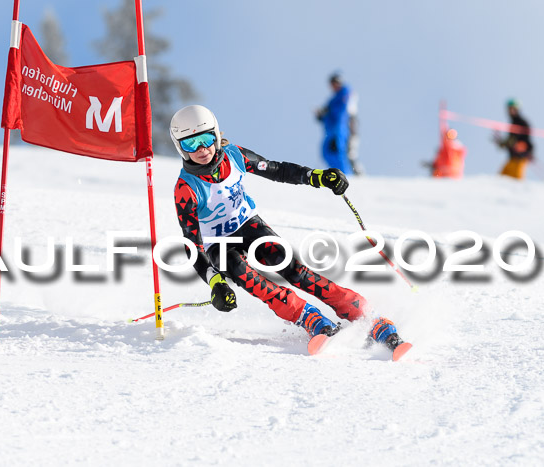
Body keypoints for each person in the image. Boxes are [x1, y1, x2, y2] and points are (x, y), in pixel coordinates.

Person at [170, 104, 405, 351]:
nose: (202, 149)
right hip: (218, 244)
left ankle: (365, 314)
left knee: (294, 269)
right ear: (180, 148)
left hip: (249, 225)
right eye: (190, 144)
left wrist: (317, 177)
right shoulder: (186, 189)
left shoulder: (234, 155)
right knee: (247, 276)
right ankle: (309, 317)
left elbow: (277, 169)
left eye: (206, 139)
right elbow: (192, 245)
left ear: (216, 135)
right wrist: (215, 282)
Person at [316, 73, 355, 175]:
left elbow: (341, 113)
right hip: (330, 130)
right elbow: (329, 115)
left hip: (338, 129)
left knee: (337, 152)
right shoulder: (333, 100)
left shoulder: (344, 93)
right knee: (327, 153)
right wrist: (322, 116)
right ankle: (338, 174)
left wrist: (327, 111)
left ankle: (346, 175)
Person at [492, 99, 534, 180]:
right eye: (509, 109)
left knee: (516, 182)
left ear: (517, 109)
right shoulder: (512, 124)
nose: (511, 111)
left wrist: (528, 150)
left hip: (520, 158)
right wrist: (501, 142)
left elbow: (527, 139)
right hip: (512, 157)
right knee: (501, 179)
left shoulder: (522, 122)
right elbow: (510, 141)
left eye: (513, 109)